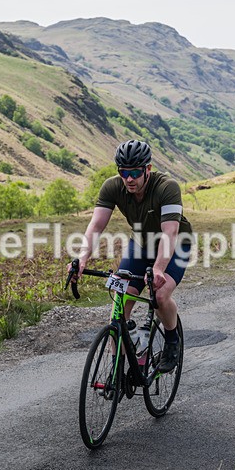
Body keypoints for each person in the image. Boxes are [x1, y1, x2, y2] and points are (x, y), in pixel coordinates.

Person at [71, 139, 192, 372]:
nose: (129, 179)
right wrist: (82, 259)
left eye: (135, 172)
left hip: (176, 244)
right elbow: (96, 226)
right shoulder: (112, 187)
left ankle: (171, 339)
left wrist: (158, 269)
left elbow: (170, 234)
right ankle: (119, 371)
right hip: (141, 244)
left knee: (159, 295)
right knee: (120, 301)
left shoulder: (167, 187)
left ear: (148, 169)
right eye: (124, 172)